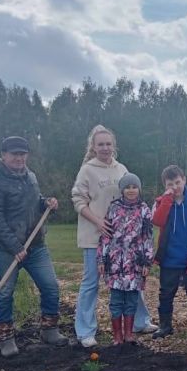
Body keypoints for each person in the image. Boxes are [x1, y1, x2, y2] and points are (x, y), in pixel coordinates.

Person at [0, 136, 68, 358]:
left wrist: (46, 203)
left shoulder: (30, 176)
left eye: (23, 154)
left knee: (50, 286)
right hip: (6, 249)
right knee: (4, 293)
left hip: (36, 246)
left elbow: (34, 201)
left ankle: (49, 329)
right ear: (3, 155)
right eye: (14, 154)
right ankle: (6, 338)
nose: (19, 158)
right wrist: (14, 246)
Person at [71, 125, 157, 348]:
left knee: (131, 279)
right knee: (91, 282)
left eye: (108, 144)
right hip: (96, 237)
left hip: (126, 242)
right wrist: (98, 221)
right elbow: (78, 201)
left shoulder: (121, 169)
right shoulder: (87, 170)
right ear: (93, 146)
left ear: (113, 146)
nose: (105, 148)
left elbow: (132, 199)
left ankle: (140, 321)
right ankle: (85, 330)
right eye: (100, 144)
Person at [97, 173, 154, 345]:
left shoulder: (144, 209)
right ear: (122, 190)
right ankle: (117, 335)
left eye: (134, 187)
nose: (131, 190)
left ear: (139, 189)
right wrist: (102, 259)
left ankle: (129, 333)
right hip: (115, 263)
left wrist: (146, 261)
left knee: (131, 300)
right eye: (127, 187)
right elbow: (106, 236)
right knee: (116, 300)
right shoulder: (113, 208)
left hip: (135, 263)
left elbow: (148, 237)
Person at [151, 164, 187, 339]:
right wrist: (166, 201)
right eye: (169, 184)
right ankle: (165, 325)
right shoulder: (160, 202)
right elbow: (157, 221)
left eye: (177, 182)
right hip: (169, 258)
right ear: (164, 186)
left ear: (184, 180)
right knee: (166, 293)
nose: (174, 187)